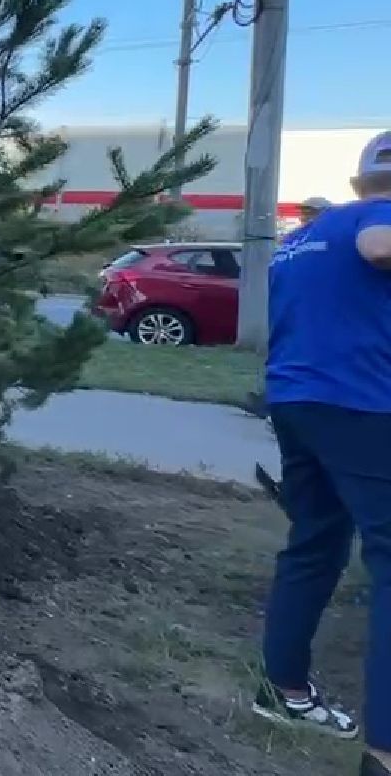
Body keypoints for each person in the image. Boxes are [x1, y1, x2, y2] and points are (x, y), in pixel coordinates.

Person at [253, 130, 391, 769]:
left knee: (316, 540)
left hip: (294, 400)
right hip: (360, 405)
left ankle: (282, 689)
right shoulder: (375, 222)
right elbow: (381, 247)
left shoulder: (301, 239)